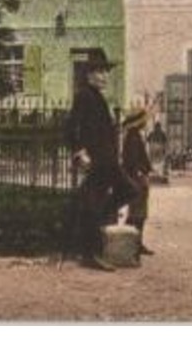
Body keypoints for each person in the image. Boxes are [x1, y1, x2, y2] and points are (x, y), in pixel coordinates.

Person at [67, 50, 127, 271]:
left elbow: (101, 130)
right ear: (89, 75)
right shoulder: (84, 95)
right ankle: (90, 254)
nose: (104, 76)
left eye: (106, 71)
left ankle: (99, 223)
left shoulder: (98, 97)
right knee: (92, 205)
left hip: (108, 160)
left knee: (128, 191)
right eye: (100, 71)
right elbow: (71, 126)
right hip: (97, 162)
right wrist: (79, 152)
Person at [119, 107, 155, 255]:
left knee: (138, 213)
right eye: (144, 120)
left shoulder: (133, 136)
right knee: (137, 214)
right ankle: (132, 244)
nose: (145, 122)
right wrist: (141, 175)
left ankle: (136, 243)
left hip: (136, 177)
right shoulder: (133, 137)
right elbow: (133, 161)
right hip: (136, 179)